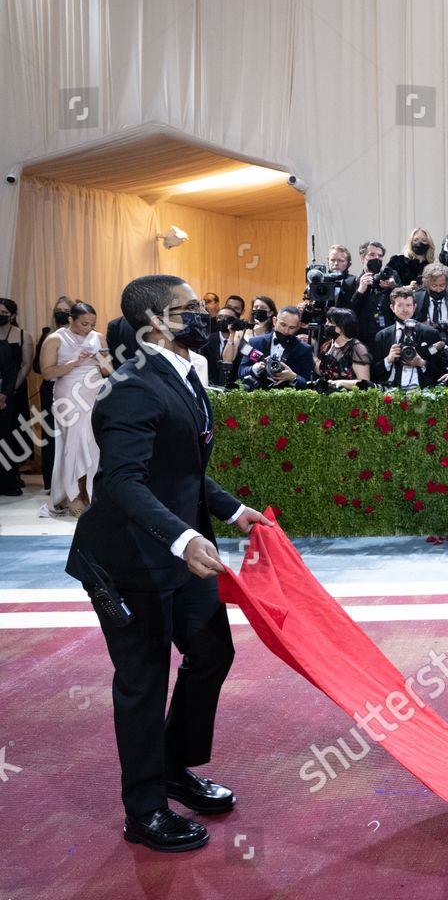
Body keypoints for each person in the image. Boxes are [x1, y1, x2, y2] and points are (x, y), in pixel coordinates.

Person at [65, 274, 269, 852]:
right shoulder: (129, 387)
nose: (203, 316)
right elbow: (121, 482)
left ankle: (176, 767)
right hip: (127, 561)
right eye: (188, 310)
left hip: (177, 550)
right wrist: (182, 539)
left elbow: (180, 467)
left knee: (211, 652)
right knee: (143, 680)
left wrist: (232, 512)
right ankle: (145, 809)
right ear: (155, 322)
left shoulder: (183, 372)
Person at [38, 301, 111, 515]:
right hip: (68, 395)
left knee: (93, 443)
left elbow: (108, 372)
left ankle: (91, 492)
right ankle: (73, 495)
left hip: (95, 392)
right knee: (73, 443)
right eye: (84, 324)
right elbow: (47, 373)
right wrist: (74, 363)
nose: (89, 328)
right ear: (71, 319)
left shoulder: (98, 337)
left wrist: (104, 361)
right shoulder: (55, 339)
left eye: (93, 324)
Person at [31, 295, 76, 491]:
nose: (62, 313)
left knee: (74, 433)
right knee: (51, 434)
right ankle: (51, 481)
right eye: (59, 310)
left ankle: (76, 481)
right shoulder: (48, 335)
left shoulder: (82, 335)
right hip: (51, 389)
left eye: (67, 311)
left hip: (76, 389)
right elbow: (37, 367)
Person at [374, 287, 448, 389]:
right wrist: (388, 359)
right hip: (390, 391)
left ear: (415, 307)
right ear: (392, 307)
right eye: (400, 305)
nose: (405, 310)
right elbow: (373, 371)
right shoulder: (383, 336)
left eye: (408, 305)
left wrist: (421, 363)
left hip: (422, 391)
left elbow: (440, 369)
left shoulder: (429, 333)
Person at [0, 297, 36, 496]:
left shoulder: (23, 335)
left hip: (14, 392)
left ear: (12, 315)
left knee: (12, 434)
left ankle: (11, 475)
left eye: (4, 313)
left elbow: (26, 365)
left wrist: (8, 390)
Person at [237, 307, 317, 389]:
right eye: (283, 325)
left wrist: (293, 377)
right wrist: (255, 368)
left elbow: (307, 384)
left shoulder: (304, 349)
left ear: (298, 327)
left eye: (291, 328)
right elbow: (241, 372)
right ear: (274, 321)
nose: (286, 331)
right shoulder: (254, 342)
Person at [314, 307, 372, 389]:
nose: (326, 325)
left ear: (342, 326)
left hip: (347, 396)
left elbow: (364, 382)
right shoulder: (327, 345)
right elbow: (321, 371)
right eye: (327, 321)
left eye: (330, 322)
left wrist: (340, 383)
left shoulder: (357, 348)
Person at [413, 263, 448, 331]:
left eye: (442, 285)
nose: (438, 290)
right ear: (427, 284)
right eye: (434, 286)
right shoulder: (417, 299)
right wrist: (421, 326)